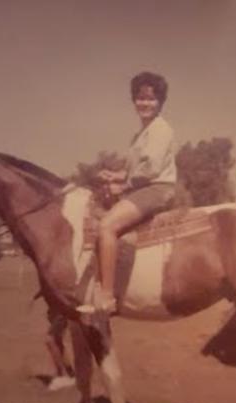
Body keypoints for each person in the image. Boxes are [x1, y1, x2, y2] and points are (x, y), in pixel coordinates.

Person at [78, 71, 178, 314]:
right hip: (144, 188)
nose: (145, 103)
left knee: (107, 226)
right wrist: (115, 175)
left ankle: (107, 297)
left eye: (151, 99)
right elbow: (134, 169)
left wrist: (122, 186)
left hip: (157, 190)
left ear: (160, 102)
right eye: (140, 98)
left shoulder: (160, 129)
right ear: (134, 100)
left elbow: (151, 169)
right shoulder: (141, 134)